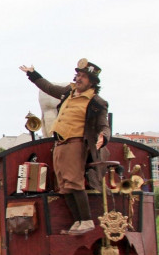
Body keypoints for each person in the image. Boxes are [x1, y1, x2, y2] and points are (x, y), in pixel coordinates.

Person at [21, 59, 110, 235]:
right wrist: (32, 74)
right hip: (60, 143)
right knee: (64, 185)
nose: (78, 79)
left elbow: (104, 125)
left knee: (74, 182)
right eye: (78, 75)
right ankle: (77, 221)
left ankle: (86, 220)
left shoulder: (96, 102)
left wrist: (104, 137)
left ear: (92, 82)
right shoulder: (69, 92)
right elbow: (49, 88)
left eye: (83, 77)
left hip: (75, 142)